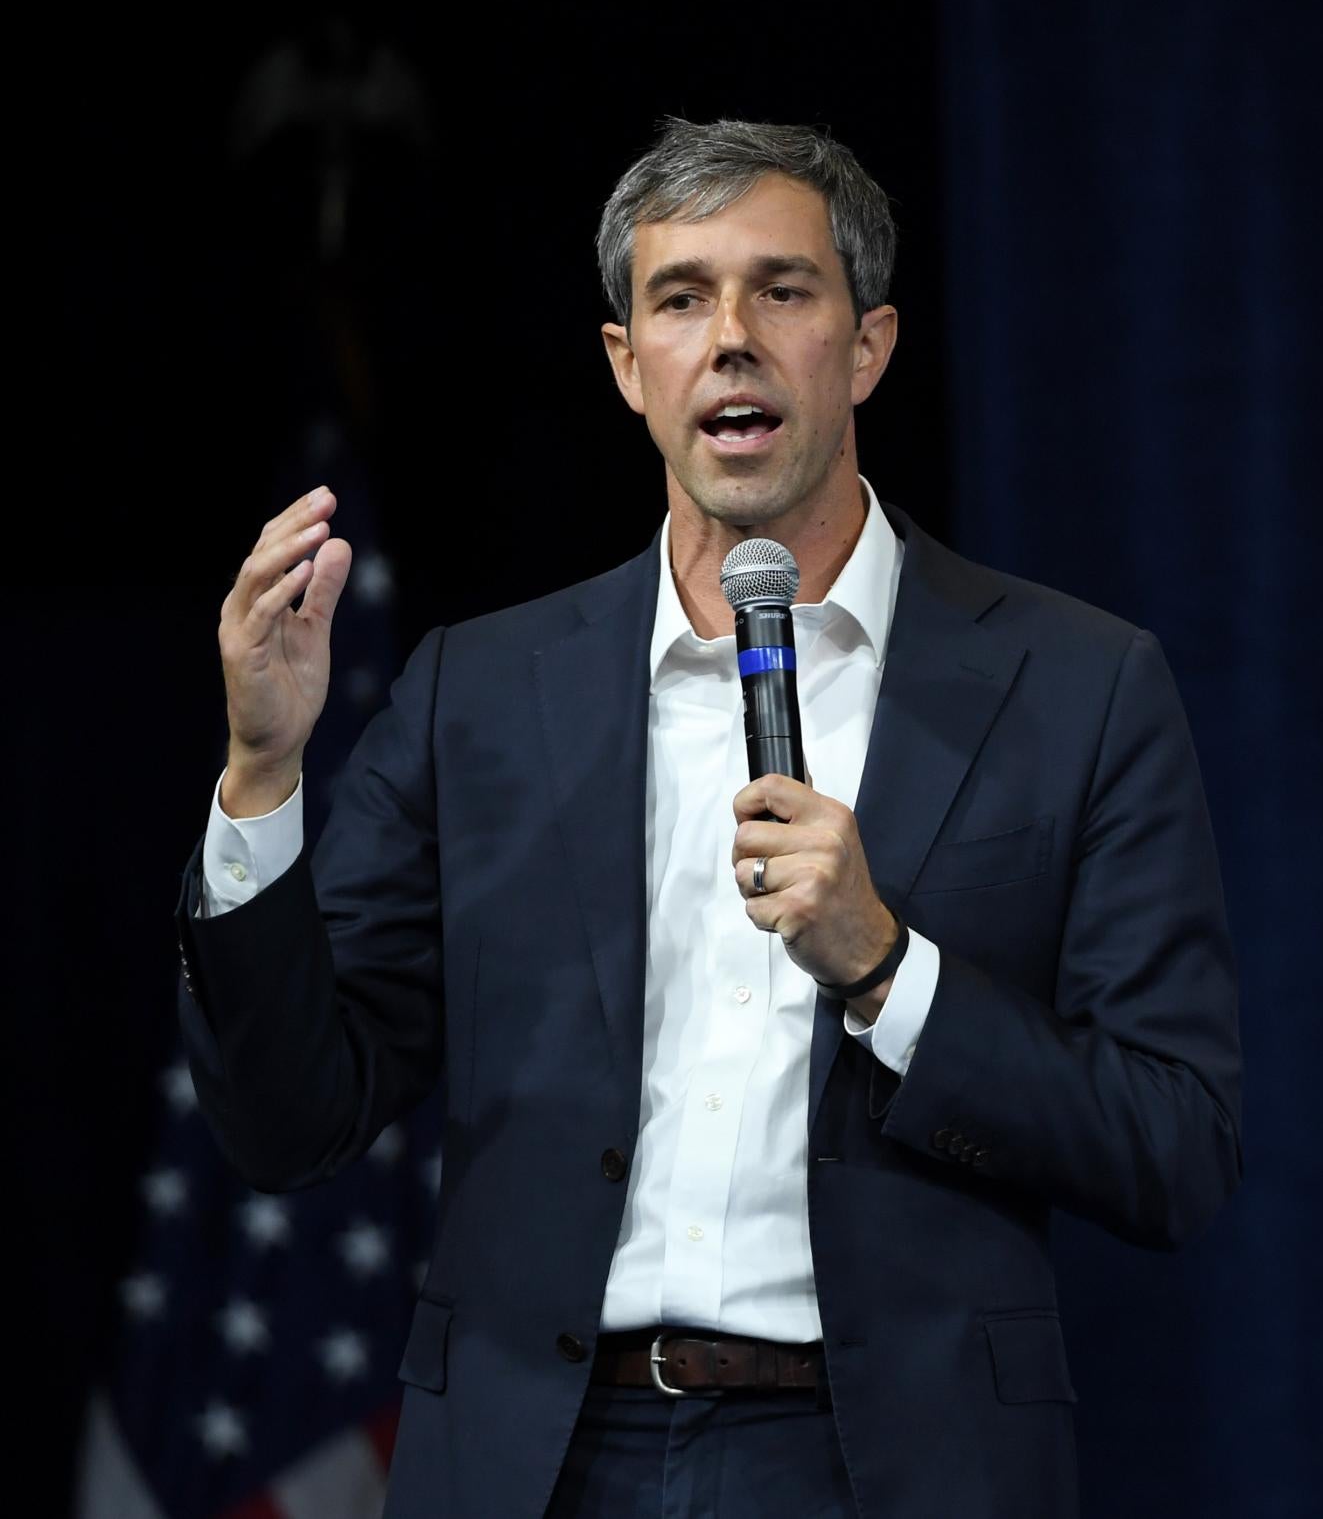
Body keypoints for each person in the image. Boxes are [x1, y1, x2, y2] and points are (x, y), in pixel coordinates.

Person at [176, 118, 1243, 1519]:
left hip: (887, 1467)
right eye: (681, 298)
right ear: (629, 365)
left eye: (781, 290)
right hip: (541, 1460)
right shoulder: (481, 694)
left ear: (866, 347)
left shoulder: (1076, 686)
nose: (729, 337)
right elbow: (286, 1118)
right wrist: (262, 772)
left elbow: (1174, 1143)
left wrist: (888, 967)